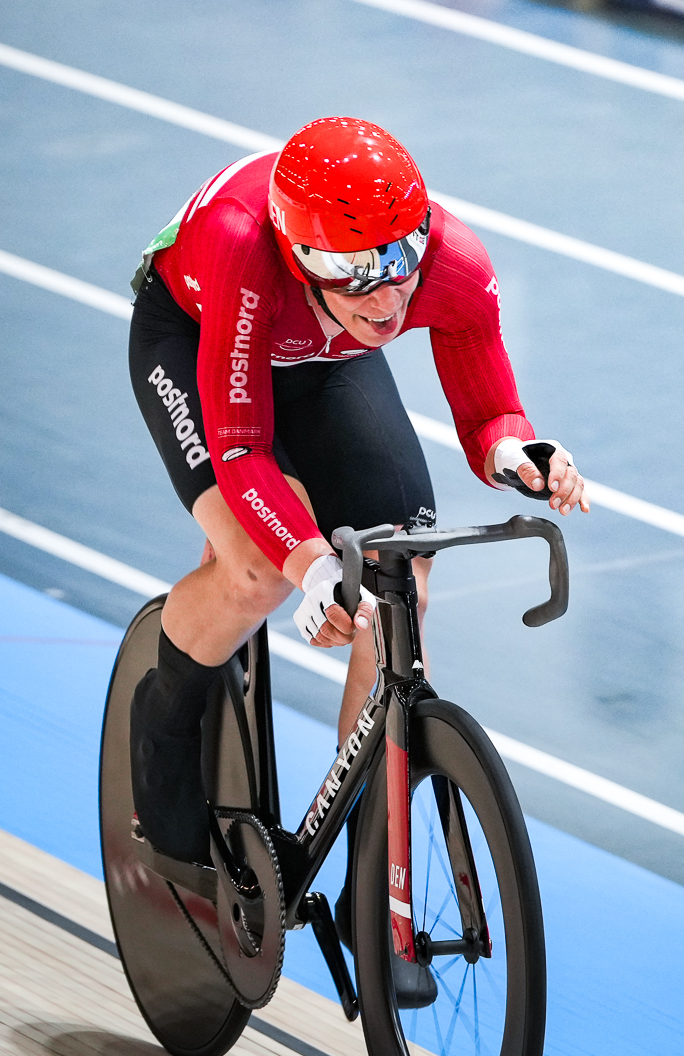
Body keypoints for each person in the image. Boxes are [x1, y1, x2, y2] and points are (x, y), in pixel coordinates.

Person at [126, 117, 588, 869]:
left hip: (323, 353)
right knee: (253, 573)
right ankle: (165, 714)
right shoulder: (248, 249)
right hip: (198, 333)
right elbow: (240, 444)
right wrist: (307, 562)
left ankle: (378, 878)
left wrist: (519, 452)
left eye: (400, 258)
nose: (386, 297)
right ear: (303, 259)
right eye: (357, 273)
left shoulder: (445, 263)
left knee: (396, 586)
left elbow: (489, 415)